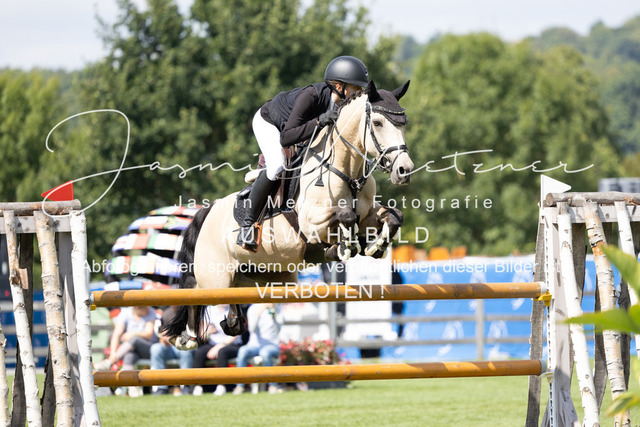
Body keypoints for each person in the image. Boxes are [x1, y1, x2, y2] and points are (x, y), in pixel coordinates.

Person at [236, 55, 370, 252]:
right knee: (277, 164)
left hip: (298, 129)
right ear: (339, 86)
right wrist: (319, 121)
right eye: (356, 88)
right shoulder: (311, 96)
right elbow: (287, 137)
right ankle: (248, 224)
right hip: (270, 123)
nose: (359, 94)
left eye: (361, 89)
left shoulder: (344, 105)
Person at [94, 305, 158, 397]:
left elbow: (149, 334)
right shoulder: (126, 313)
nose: (148, 308)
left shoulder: (151, 312)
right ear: (136, 307)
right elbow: (116, 334)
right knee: (129, 356)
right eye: (145, 307)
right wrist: (112, 353)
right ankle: (132, 388)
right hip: (131, 350)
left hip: (148, 348)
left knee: (135, 339)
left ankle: (109, 362)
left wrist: (133, 334)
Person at [191, 305, 245, 396]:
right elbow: (202, 333)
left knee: (222, 352)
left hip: (232, 344)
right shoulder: (209, 309)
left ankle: (221, 385)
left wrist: (220, 346)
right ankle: (198, 385)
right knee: (200, 352)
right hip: (213, 344)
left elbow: (235, 334)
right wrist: (207, 332)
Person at [232, 303, 283, 395]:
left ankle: (273, 385)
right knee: (242, 351)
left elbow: (278, 330)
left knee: (265, 353)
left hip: (272, 345)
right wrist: (259, 312)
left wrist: (274, 316)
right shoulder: (253, 308)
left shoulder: (277, 308)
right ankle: (240, 386)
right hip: (254, 345)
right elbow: (252, 329)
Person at [149, 306, 195, 395]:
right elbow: (161, 332)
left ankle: (185, 385)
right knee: (155, 348)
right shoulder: (166, 313)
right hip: (168, 346)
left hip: (183, 345)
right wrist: (164, 337)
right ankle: (161, 386)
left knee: (186, 350)